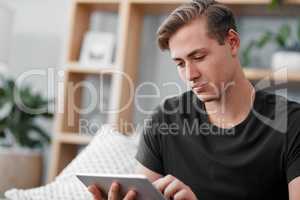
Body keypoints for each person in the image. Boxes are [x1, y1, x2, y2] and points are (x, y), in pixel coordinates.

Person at [88, 0, 300, 199]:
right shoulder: (165, 120)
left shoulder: (292, 124)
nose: (190, 75)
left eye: (198, 57)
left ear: (232, 43)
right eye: (180, 63)